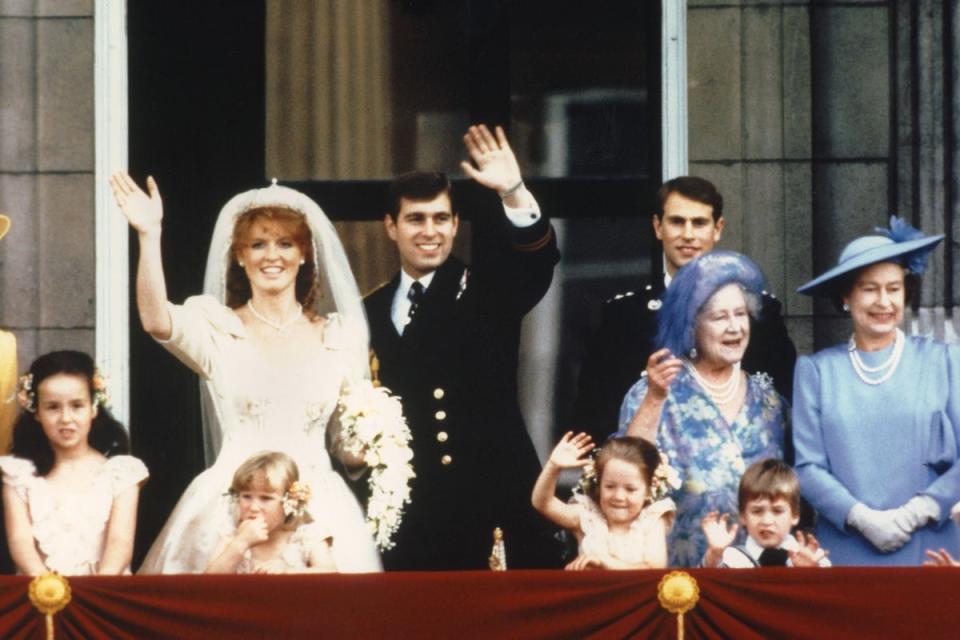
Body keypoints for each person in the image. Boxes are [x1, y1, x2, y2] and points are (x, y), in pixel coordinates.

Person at [110, 172, 381, 573]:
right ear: (239, 255)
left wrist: (378, 442)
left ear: (305, 254)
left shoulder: (339, 336)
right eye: (258, 245)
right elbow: (156, 320)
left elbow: (346, 445)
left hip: (319, 505)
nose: (272, 256)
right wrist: (149, 236)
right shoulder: (217, 328)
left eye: (285, 244)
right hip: (231, 503)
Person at [364, 124, 560, 569]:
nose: (429, 231)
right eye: (415, 219)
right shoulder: (370, 310)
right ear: (391, 227)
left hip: (488, 506)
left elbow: (538, 262)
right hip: (411, 517)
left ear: (455, 225)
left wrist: (512, 190)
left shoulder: (487, 291)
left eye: (440, 219)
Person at [574, 177, 796, 446]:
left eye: (699, 223)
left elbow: (786, 405)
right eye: (677, 222)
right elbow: (595, 415)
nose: (688, 235)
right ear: (658, 227)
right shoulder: (623, 316)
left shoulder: (760, 313)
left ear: (718, 228)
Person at [793, 216, 960, 566]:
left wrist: (918, 511)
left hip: (930, 550)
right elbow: (807, 468)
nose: (883, 301)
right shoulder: (817, 371)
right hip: (845, 550)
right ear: (846, 297)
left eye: (893, 288)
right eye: (869, 289)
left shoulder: (944, 360)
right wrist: (862, 518)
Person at [616, 250, 786, 567]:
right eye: (720, 317)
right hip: (677, 583)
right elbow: (627, 469)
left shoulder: (769, 400)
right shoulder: (653, 392)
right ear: (691, 327)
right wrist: (654, 399)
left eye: (741, 314)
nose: (735, 327)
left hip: (757, 577)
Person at [0, 350, 148, 575]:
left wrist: (94, 594)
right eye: (53, 407)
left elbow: (120, 543)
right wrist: (48, 590)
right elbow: (21, 542)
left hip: (105, 592)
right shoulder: (19, 475)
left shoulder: (121, 473)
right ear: (36, 411)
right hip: (41, 593)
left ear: (93, 407)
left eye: (77, 406)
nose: (66, 418)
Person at [531, 433, 674, 570]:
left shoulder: (652, 519)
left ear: (648, 491)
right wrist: (553, 466)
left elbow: (654, 567)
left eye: (630, 489)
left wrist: (604, 562)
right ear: (599, 486)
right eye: (610, 486)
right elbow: (543, 503)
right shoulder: (587, 515)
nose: (618, 496)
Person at [206, 451, 337, 574]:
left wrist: (290, 571)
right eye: (246, 496)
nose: (254, 507)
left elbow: (331, 573)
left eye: (265, 498)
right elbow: (208, 581)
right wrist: (241, 543)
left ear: (291, 502)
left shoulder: (305, 535)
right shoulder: (233, 533)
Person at [701, 458, 829, 568]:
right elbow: (705, 588)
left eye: (777, 511)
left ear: (795, 514)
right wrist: (715, 554)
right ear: (743, 516)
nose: (767, 521)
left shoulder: (814, 558)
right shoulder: (730, 559)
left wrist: (811, 573)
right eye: (757, 511)